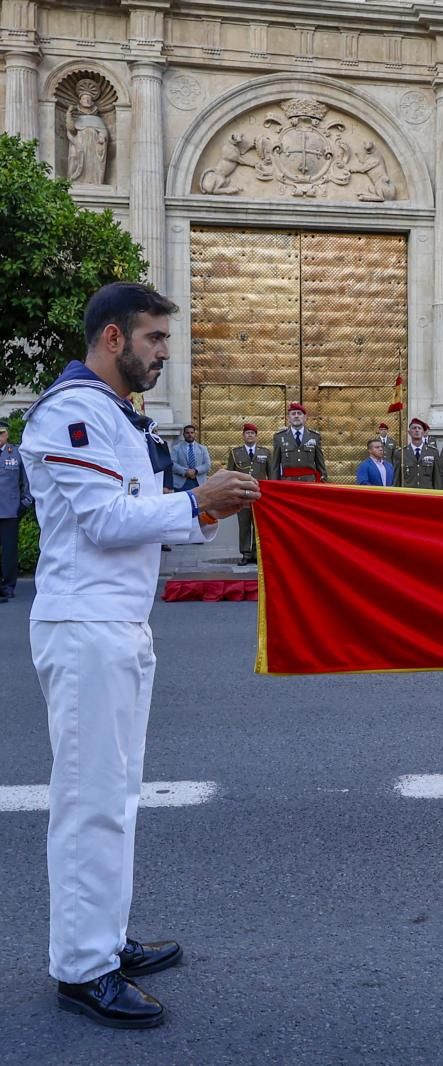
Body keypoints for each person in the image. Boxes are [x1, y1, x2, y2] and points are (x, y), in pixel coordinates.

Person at [20, 282, 258, 1028]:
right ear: (114, 339)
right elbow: (104, 519)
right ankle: (82, 968)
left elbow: (145, 520)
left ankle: (104, 939)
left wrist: (207, 507)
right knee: (90, 801)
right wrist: (195, 502)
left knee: (116, 796)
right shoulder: (70, 414)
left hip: (118, 622)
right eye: (155, 339)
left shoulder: (118, 416)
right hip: (85, 625)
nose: (164, 353)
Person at [225, 424, 271, 565]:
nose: (250, 435)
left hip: (259, 495)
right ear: (243, 436)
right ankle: (245, 553)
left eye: (252, 433)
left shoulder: (266, 452)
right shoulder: (235, 453)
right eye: (247, 433)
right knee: (244, 524)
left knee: (258, 524)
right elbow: (230, 474)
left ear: (256, 436)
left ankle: (257, 553)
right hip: (242, 494)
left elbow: (272, 473)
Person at [0, 421, 31, 601]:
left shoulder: (16, 454)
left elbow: (27, 482)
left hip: (10, 511)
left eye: (1, 433)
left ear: (6, 435)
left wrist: (25, 503)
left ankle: (8, 586)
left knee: (10, 552)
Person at [270, 401, 327, 483]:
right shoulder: (279, 437)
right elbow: (275, 465)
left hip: (309, 483)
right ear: (288, 418)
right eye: (293, 414)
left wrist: (323, 481)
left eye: (299, 413)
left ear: (305, 417)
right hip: (288, 483)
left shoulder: (314, 437)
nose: (296, 416)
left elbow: (320, 464)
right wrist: (274, 484)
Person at [399, 417, 441, 489]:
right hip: (408, 495)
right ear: (409, 432)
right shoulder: (401, 453)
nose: (417, 430)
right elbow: (397, 479)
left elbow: (437, 478)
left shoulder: (433, 452)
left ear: (424, 432)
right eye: (414, 428)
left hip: (426, 495)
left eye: (419, 428)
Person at [170, 425, 210, 492]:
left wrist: (195, 471)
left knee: (198, 502)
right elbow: (172, 464)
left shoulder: (202, 448)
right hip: (181, 483)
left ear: (195, 434)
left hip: (198, 482)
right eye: (187, 433)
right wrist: (186, 472)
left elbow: (207, 465)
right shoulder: (176, 448)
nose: (190, 435)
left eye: (192, 433)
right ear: (183, 434)